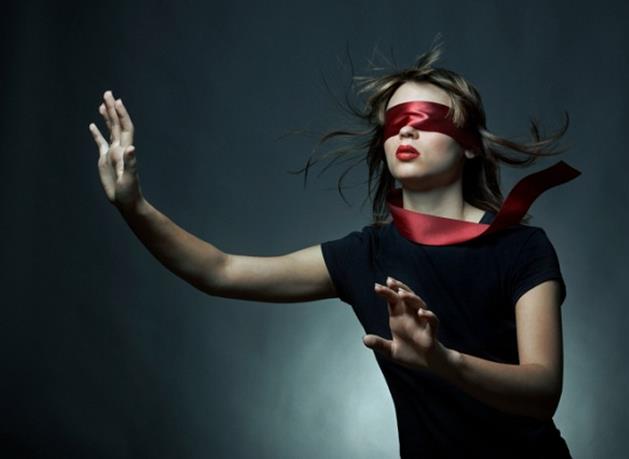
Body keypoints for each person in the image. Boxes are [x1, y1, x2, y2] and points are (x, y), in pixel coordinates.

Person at [88, 41, 577, 458]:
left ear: (469, 144)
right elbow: (220, 270)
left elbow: (542, 391)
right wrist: (135, 206)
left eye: (426, 119)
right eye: (395, 122)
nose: (405, 130)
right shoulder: (363, 256)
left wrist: (443, 361)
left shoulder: (521, 247)